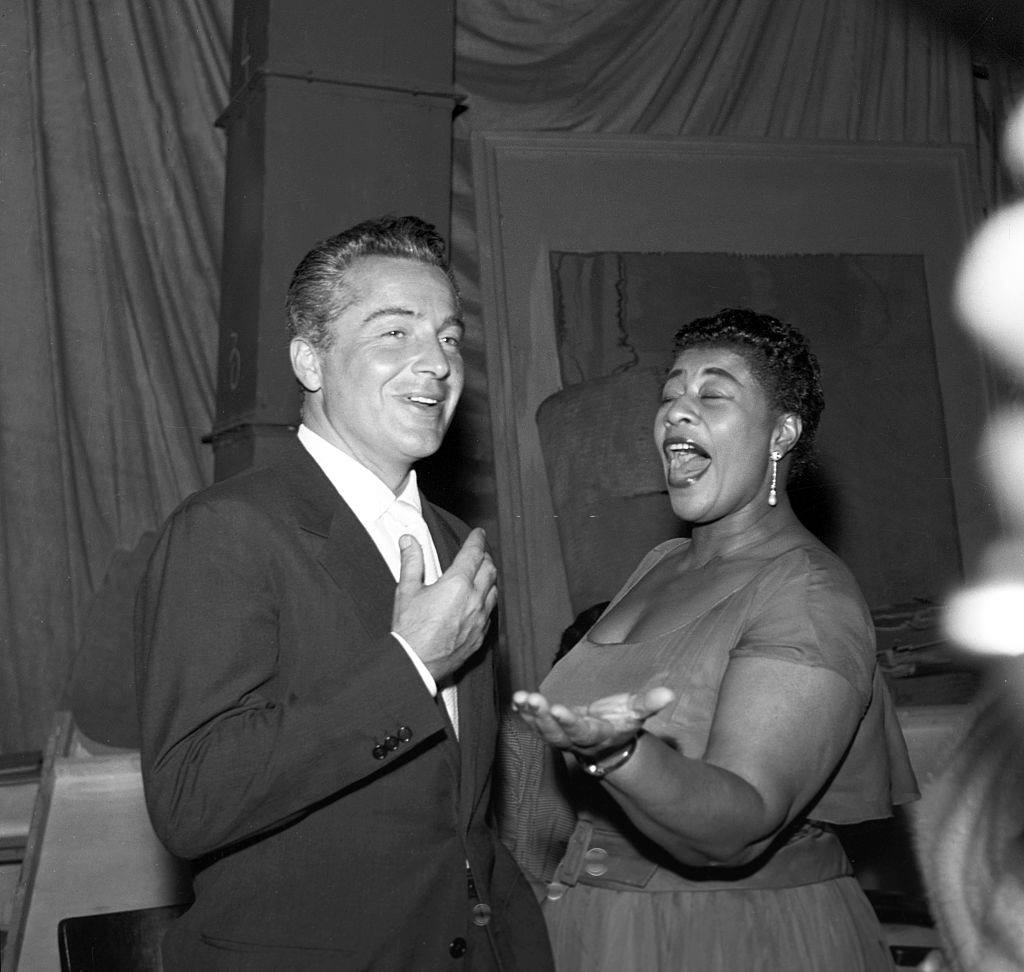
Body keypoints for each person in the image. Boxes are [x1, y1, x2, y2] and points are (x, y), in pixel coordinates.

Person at [135, 215, 554, 971]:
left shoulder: (457, 541)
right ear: (311, 361)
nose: (436, 363)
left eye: (451, 338)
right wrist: (410, 664)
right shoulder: (229, 529)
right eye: (395, 333)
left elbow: (464, 823)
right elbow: (190, 800)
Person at [508, 308, 919, 971]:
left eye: (712, 395)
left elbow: (742, 827)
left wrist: (619, 755)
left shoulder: (809, 594)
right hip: (596, 924)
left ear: (782, 433)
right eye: (669, 395)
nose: (676, 412)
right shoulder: (660, 564)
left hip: (731, 938)